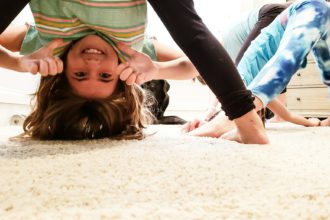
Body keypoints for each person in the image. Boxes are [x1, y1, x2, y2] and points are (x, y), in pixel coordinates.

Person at [0, 0, 268, 144]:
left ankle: (252, 130)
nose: (92, 65)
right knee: (188, 27)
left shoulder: (45, 46)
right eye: (105, 76)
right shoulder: (131, 51)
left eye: (80, 75)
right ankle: (252, 129)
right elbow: (196, 59)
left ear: (61, 71)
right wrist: (156, 70)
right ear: (120, 72)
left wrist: (16, 62)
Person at [183, 0, 330, 140]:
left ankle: (226, 120)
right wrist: (314, 123)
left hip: (293, 12)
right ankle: (228, 119)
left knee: (263, 69)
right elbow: (287, 115)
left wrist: (215, 116)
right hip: (305, 14)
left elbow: (230, 87)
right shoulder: (256, 86)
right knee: (325, 70)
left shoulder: (236, 66)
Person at [200, 2, 291, 122]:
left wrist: (211, 109)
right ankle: (279, 116)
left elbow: (225, 82)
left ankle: (277, 115)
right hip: (279, 13)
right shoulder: (221, 48)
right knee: (273, 65)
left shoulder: (221, 53)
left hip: (270, 14)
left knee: (245, 74)